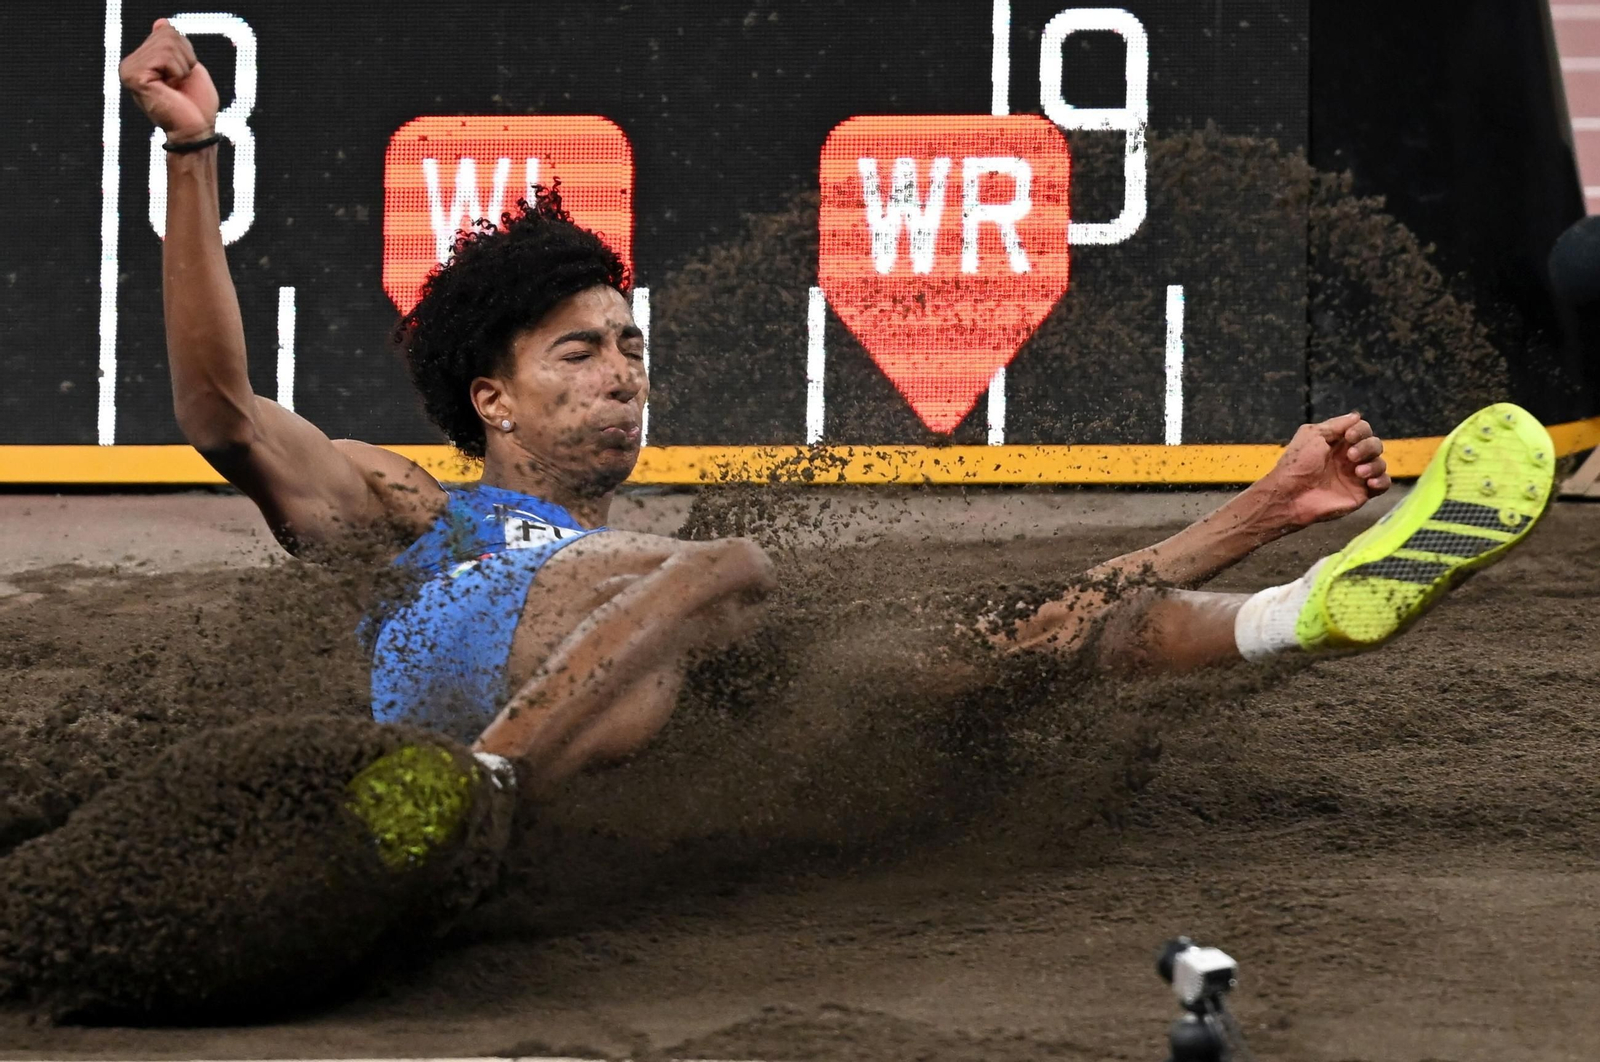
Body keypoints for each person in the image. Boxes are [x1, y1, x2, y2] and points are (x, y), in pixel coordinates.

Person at [121, 20, 1556, 798]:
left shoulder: (670, 607)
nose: (620, 370)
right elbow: (222, 408)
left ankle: (1300, 595)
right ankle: (476, 796)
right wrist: (194, 155)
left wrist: (1260, 505)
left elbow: (1001, 636)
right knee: (728, 569)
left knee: (970, 660)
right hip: (454, 712)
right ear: (487, 396)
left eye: (627, 345)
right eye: (576, 355)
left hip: (635, 659)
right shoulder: (412, 508)